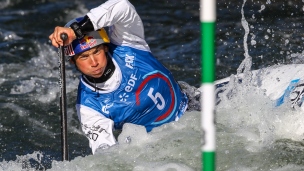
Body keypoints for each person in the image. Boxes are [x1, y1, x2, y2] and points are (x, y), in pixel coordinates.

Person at [49, 0, 188, 154]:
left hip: (192, 108)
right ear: (72, 61)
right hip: (165, 147)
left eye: (96, 52)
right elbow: (105, 153)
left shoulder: (128, 43)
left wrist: (77, 30)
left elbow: (122, 6)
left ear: (105, 47)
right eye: (84, 57)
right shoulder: (88, 107)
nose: (94, 62)